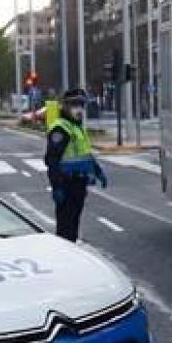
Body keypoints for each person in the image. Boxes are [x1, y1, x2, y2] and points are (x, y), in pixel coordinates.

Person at [44, 88, 107, 241]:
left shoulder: (77, 128)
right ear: (64, 106)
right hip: (66, 185)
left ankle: (71, 250)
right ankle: (65, 257)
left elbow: (84, 153)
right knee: (65, 229)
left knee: (74, 225)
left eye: (81, 104)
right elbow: (52, 160)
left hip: (79, 184)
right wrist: (57, 187)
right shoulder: (61, 128)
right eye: (74, 104)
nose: (78, 108)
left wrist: (97, 170)